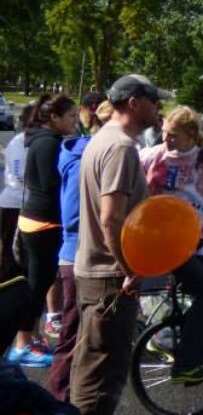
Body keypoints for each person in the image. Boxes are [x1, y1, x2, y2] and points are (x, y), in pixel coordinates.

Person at [72, 74, 168, 415]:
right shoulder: (121, 148)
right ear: (134, 103)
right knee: (101, 376)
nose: (158, 108)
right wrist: (129, 270)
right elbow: (110, 219)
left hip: (96, 272)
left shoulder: (102, 139)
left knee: (90, 366)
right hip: (110, 277)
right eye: (154, 101)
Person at [139, 106, 203, 383]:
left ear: (191, 135)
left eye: (173, 135)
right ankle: (185, 361)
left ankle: (173, 342)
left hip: (195, 244)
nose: (166, 139)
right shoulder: (151, 156)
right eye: (164, 133)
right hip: (163, 242)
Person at [48, 98, 109, 401]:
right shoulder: (84, 158)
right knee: (72, 334)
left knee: (86, 335)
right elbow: (71, 214)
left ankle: (71, 395)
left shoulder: (81, 151)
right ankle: (59, 397)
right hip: (77, 255)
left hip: (84, 254)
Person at [11, 93, 77, 367]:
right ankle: (22, 345)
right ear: (54, 118)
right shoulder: (50, 143)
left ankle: (30, 337)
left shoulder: (42, 139)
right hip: (43, 222)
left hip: (35, 219)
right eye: (71, 116)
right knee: (37, 287)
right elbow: (53, 185)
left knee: (37, 283)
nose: (75, 122)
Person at [1, 103, 37, 283]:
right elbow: (19, 174)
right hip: (15, 205)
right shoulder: (19, 143)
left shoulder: (34, 141)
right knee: (11, 256)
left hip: (25, 204)